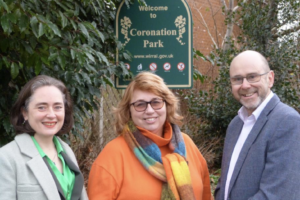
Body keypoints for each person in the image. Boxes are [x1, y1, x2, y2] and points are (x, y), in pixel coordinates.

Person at [88, 71, 211, 200]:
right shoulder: (113, 154)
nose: (150, 111)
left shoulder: (187, 145)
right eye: (140, 104)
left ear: (167, 104)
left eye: (156, 102)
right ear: (128, 110)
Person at [214, 50, 300, 200]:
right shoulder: (236, 124)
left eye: (253, 77)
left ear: (270, 78)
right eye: (237, 79)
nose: (245, 85)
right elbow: (226, 183)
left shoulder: (287, 122)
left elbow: (278, 195)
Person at [0, 75, 88, 200]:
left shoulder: (67, 151)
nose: (51, 115)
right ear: (25, 113)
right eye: (41, 107)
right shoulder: (7, 158)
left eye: (57, 107)